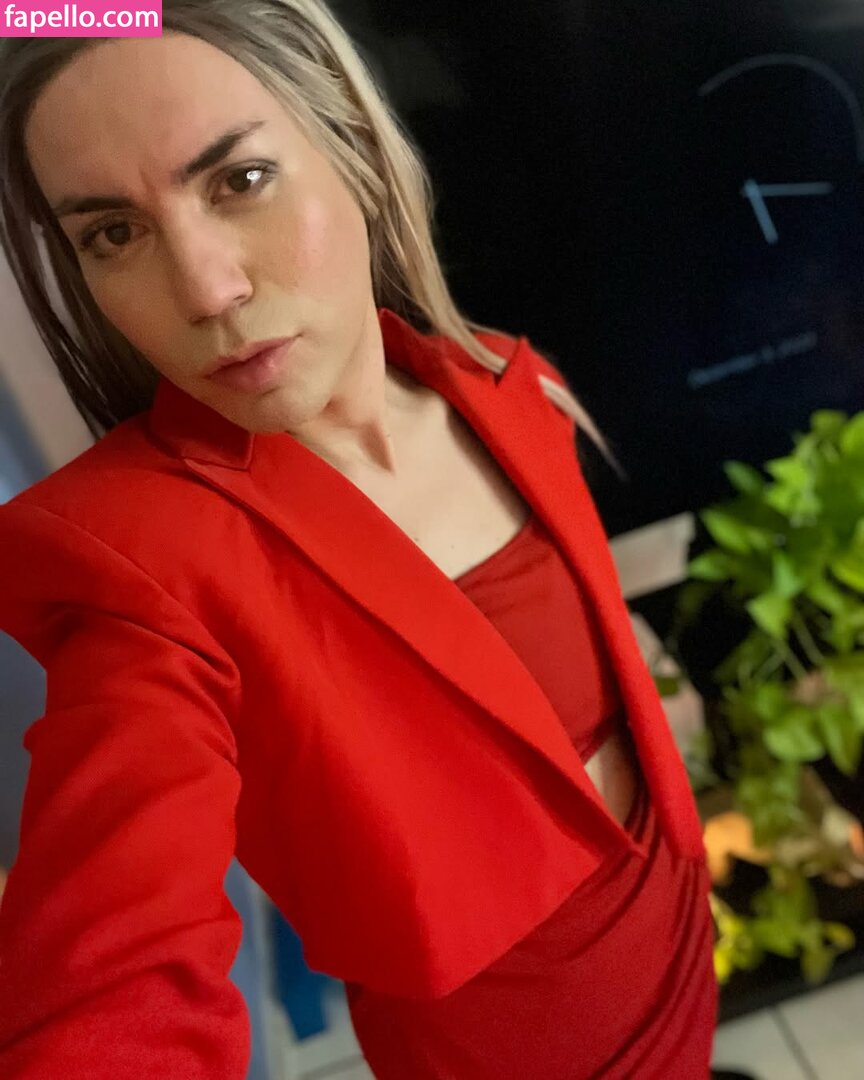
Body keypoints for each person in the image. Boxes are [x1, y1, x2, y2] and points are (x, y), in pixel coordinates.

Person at [0, 2, 721, 1076]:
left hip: (684, 964)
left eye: (240, 180)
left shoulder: (509, 386)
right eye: (113, 233)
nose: (207, 290)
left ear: (351, 142)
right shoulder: (135, 564)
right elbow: (110, 978)